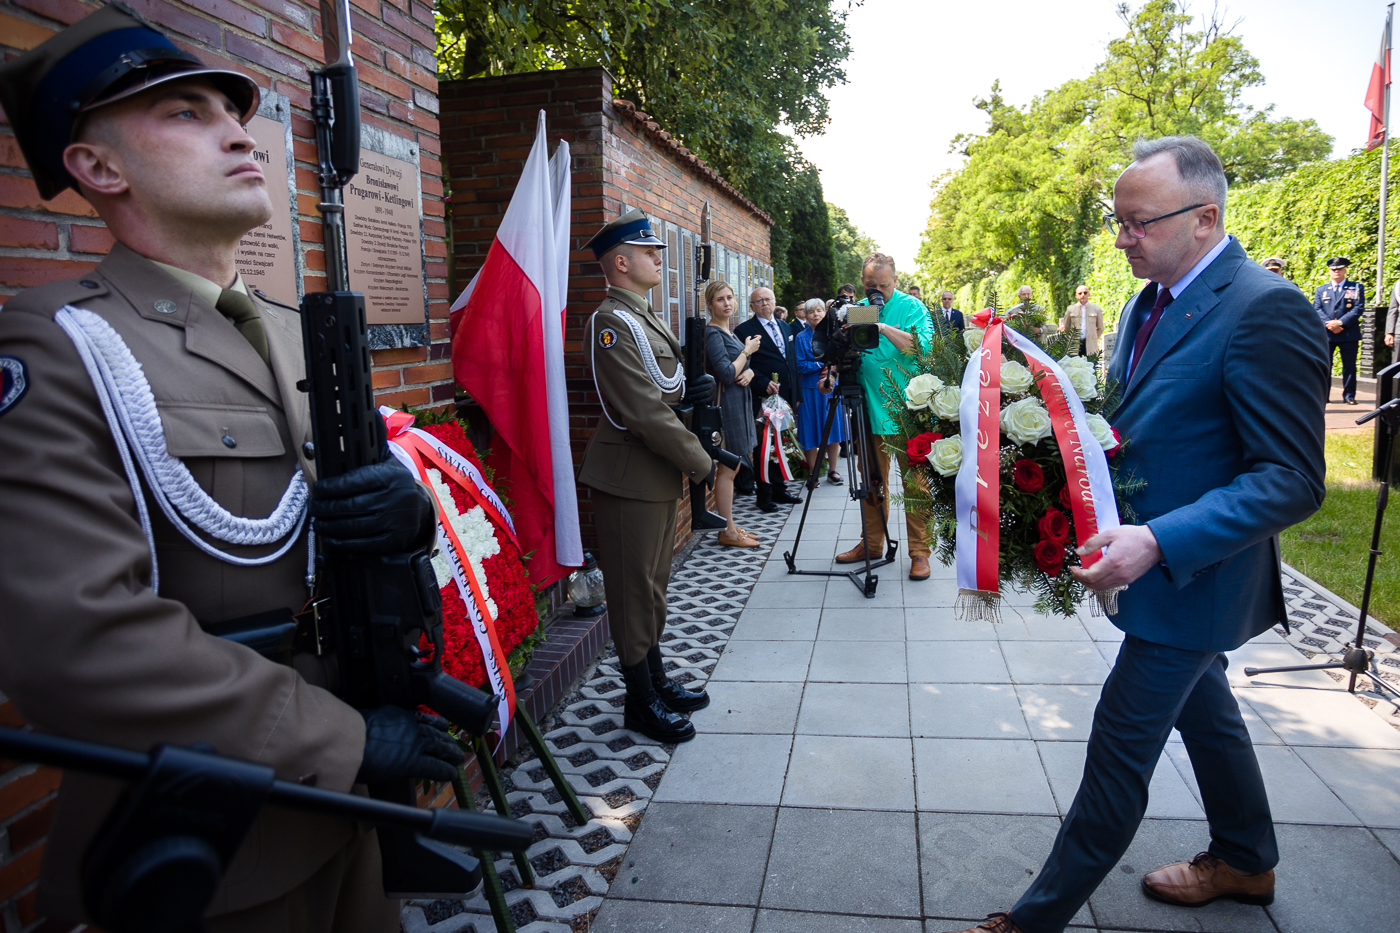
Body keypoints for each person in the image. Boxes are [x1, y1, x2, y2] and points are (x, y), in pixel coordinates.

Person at [0, 8, 467, 930]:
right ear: (98, 167)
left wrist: (408, 514)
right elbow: (78, 641)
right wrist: (340, 738)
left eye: (235, 112)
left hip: (355, 822)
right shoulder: (58, 346)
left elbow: (336, 520)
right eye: (186, 113)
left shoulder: (296, 332)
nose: (239, 134)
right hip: (216, 848)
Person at [947, 136, 1327, 933]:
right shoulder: (1142, 301)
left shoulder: (1266, 308)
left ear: (1205, 218)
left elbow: (1291, 478)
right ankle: (1247, 857)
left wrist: (1158, 540)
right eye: (1116, 221)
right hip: (1151, 570)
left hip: (1198, 579)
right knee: (1208, 713)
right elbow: (1129, 427)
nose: (1121, 239)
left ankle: (1031, 920)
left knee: (1118, 749)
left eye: (1137, 222)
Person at [579, 209, 715, 744]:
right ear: (620, 262)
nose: (659, 258)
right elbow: (641, 409)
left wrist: (694, 394)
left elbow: (665, 389)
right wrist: (701, 459)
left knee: (653, 588)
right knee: (633, 592)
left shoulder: (643, 315)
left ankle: (655, 681)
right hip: (628, 476)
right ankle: (639, 701)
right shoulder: (611, 322)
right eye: (648, 251)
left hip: (653, 472)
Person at [834, 253, 935, 580]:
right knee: (871, 482)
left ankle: (920, 551)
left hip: (909, 413)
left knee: (916, 485)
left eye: (883, 285)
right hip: (868, 410)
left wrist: (882, 327)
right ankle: (872, 543)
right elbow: (847, 349)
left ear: (895, 281)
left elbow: (923, 350)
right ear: (862, 281)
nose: (876, 291)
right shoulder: (859, 307)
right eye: (870, 285)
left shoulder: (912, 307)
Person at [702, 279, 762, 548]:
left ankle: (731, 525)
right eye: (720, 299)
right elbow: (726, 373)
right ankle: (727, 530)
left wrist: (750, 372)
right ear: (709, 304)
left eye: (729, 297)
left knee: (734, 467)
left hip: (739, 404)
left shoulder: (730, 333)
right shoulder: (713, 334)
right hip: (726, 408)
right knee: (728, 468)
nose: (727, 303)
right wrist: (747, 351)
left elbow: (740, 369)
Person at [734, 286, 802, 511]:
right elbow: (744, 364)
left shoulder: (785, 326)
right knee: (764, 446)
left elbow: (791, 361)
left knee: (782, 443)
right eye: (759, 301)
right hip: (763, 397)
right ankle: (764, 496)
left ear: (774, 301)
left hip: (786, 396)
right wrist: (762, 382)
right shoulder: (744, 330)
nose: (764, 303)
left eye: (768, 299)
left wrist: (797, 394)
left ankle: (780, 490)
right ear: (752, 306)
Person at [795, 297, 845, 484]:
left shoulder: (834, 334)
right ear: (806, 316)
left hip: (830, 387)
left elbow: (840, 359)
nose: (815, 314)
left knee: (832, 430)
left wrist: (832, 367)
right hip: (809, 389)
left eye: (819, 310)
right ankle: (813, 472)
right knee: (810, 430)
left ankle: (833, 470)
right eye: (811, 312)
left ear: (825, 313)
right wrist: (820, 364)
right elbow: (800, 364)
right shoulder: (801, 337)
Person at [1314, 257, 1365, 405]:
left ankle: (1349, 395)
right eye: (1333, 269)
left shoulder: (1355, 287)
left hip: (1348, 333)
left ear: (1345, 270)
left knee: (1349, 366)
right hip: (1327, 333)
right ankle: (1324, 395)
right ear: (1330, 271)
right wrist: (1329, 324)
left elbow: (1358, 308)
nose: (1336, 272)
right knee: (1326, 366)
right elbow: (1317, 308)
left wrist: (1341, 323)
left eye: (1339, 269)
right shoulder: (1322, 289)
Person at [1061, 284, 1105, 357]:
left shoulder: (1096, 309)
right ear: (1076, 295)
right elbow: (1066, 327)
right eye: (1080, 293)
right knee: (1075, 363)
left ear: (1089, 294)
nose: (1083, 295)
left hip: (1091, 345)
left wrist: (1093, 337)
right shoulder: (1070, 309)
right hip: (1075, 345)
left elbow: (1100, 328)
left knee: (1091, 363)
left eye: (1085, 293)